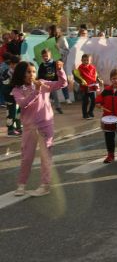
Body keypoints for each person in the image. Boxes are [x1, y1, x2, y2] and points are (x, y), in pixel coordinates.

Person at [12, 60, 67, 197]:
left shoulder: (43, 83)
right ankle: (21, 184)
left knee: (45, 156)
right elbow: (23, 104)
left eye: (33, 71)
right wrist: (36, 91)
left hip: (45, 125)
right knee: (27, 157)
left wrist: (60, 70)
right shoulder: (17, 90)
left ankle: (45, 185)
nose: (32, 74)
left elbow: (62, 83)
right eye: (28, 72)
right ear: (21, 74)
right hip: (29, 128)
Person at [48, 25, 72, 104]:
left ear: (54, 31)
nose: (49, 32)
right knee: (52, 80)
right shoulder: (49, 39)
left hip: (60, 62)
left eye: (50, 30)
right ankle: (52, 98)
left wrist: (59, 49)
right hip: (51, 63)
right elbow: (46, 50)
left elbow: (67, 51)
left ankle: (67, 98)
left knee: (63, 79)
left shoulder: (62, 39)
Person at [37, 49, 64, 114]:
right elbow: (40, 74)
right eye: (44, 56)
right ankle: (44, 109)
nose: (45, 57)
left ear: (50, 55)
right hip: (45, 83)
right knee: (45, 97)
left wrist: (58, 79)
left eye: (47, 56)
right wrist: (41, 80)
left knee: (55, 96)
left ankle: (58, 107)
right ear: (42, 57)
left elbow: (59, 70)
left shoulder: (54, 63)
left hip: (53, 82)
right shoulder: (42, 65)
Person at [75, 53, 99, 120]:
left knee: (94, 101)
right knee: (85, 102)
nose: (86, 62)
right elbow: (78, 78)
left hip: (92, 87)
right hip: (84, 88)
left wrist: (98, 80)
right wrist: (82, 83)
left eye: (87, 60)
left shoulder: (93, 67)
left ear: (90, 61)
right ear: (81, 60)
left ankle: (90, 112)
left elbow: (96, 75)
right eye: (84, 60)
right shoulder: (80, 68)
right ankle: (85, 114)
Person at [2, 54, 21, 136]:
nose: (17, 66)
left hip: (18, 96)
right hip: (9, 96)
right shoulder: (6, 73)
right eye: (16, 64)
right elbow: (5, 85)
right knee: (11, 113)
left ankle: (18, 127)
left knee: (18, 112)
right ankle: (10, 130)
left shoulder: (18, 72)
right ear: (11, 64)